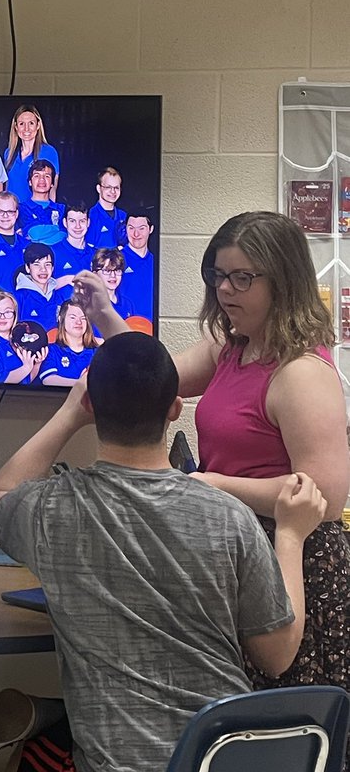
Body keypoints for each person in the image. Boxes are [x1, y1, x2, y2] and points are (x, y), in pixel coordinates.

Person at [0, 331, 327, 772]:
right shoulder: (228, 517)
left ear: (91, 406)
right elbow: (277, 656)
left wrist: (69, 415)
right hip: (221, 757)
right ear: (175, 409)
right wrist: (291, 536)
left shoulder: (52, 509)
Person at [74, 211, 350, 723]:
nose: (225, 290)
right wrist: (108, 317)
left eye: (242, 277)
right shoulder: (231, 348)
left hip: (293, 558)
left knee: (278, 730)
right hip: (239, 549)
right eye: (219, 275)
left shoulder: (302, 374)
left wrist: (213, 485)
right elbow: (152, 379)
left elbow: (325, 498)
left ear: (283, 280)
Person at [0, 291, 47, 385]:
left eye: (8, 312)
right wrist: (26, 368)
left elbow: (26, 382)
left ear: (15, 315)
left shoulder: (20, 341)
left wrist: (37, 364)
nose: (2, 317)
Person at [2, 104, 61, 207]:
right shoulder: (9, 153)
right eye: (21, 124)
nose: (26, 129)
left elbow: (52, 188)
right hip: (13, 213)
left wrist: (50, 214)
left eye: (31, 123)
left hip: (36, 212)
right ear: (15, 127)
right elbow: (7, 187)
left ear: (38, 125)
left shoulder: (48, 152)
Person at [39, 299, 100, 386]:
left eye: (83, 318)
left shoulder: (98, 353)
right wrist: (81, 384)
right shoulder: (51, 350)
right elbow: (48, 380)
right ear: (61, 319)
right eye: (73, 317)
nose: (78, 322)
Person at [14, 241, 67, 330]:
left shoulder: (59, 297)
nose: (43, 269)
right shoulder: (19, 297)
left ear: (53, 268)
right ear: (27, 268)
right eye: (36, 264)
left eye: (47, 264)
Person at [17, 159, 66, 244]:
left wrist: (37, 238)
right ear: (30, 182)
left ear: (52, 183)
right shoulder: (20, 209)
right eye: (37, 176)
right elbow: (34, 233)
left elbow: (65, 236)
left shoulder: (62, 209)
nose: (42, 179)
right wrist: (56, 229)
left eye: (47, 176)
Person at [50, 201, 94, 289]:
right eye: (72, 221)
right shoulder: (52, 252)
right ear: (65, 223)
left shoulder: (96, 254)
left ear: (88, 223)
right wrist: (67, 280)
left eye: (82, 221)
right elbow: (42, 287)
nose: (78, 226)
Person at [122, 208, 155, 320]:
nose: (136, 234)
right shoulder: (115, 260)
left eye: (141, 228)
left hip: (153, 329)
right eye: (131, 228)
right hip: (125, 328)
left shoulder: (157, 262)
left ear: (150, 229)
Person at [85, 165, 127, 249]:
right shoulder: (90, 216)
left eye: (116, 188)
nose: (113, 191)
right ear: (99, 189)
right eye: (108, 187)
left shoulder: (124, 216)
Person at [91, 247, 136, 323]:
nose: (113, 275)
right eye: (107, 271)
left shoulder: (127, 304)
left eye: (117, 270)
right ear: (95, 274)